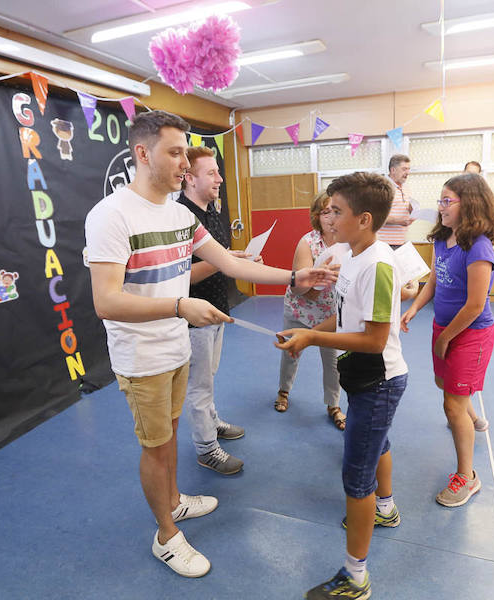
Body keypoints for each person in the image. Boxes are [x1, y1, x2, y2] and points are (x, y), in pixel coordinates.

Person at [84, 110, 336, 578]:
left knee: (171, 438)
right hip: (143, 356)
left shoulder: (179, 214)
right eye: (175, 152)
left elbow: (232, 264)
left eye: (186, 152)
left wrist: (295, 276)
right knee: (157, 448)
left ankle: (175, 501)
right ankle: (166, 535)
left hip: (177, 347)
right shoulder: (111, 215)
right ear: (143, 153)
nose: (184, 162)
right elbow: (106, 302)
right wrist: (181, 307)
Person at [276, 172, 407, 600]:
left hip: (379, 380)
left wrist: (313, 337)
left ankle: (356, 577)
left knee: (356, 477)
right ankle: (384, 510)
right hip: (361, 377)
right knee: (378, 443)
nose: (327, 217)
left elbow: (373, 338)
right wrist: (309, 330)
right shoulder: (350, 255)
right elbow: (349, 318)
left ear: (364, 219)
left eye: (336, 210)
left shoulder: (379, 265)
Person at [401, 173, 494, 508]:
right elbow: (434, 282)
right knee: (442, 382)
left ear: (468, 205)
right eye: (440, 200)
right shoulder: (442, 239)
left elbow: (474, 305)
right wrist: (414, 308)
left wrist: (446, 340)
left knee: (451, 404)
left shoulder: (479, 248)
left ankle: (468, 478)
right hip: (444, 327)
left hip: (470, 333)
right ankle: (468, 415)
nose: (440, 207)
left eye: (447, 201)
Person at [176, 145, 251, 475]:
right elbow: (181, 276)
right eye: (212, 173)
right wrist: (227, 261)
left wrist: (235, 259)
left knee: (208, 378)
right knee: (199, 386)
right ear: (190, 179)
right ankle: (206, 448)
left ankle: (211, 421)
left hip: (216, 311)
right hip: (194, 319)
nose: (220, 178)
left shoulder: (212, 212)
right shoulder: (180, 217)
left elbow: (218, 256)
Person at [274, 192, 344, 429]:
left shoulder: (349, 242)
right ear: (317, 216)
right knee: (290, 354)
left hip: (331, 314)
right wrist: (321, 281)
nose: (332, 218)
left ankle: (333, 404)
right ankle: (283, 391)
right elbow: (298, 291)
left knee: (333, 362)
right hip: (300, 310)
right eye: (326, 212)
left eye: (337, 211)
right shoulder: (308, 242)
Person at [376, 154, 414, 249]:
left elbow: (400, 209)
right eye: (404, 169)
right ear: (393, 170)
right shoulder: (382, 188)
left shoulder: (405, 188)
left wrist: (412, 211)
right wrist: (399, 221)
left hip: (401, 242)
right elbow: (376, 216)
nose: (407, 172)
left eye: (408, 169)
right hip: (385, 243)